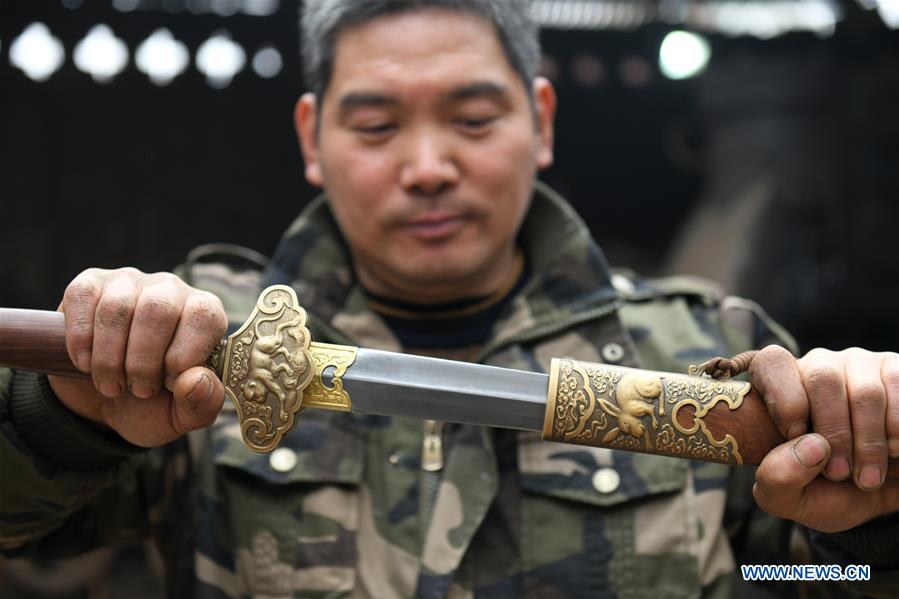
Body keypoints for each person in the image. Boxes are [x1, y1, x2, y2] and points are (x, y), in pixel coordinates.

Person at [2, 1, 898, 597]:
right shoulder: (187, 348)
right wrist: (68, 414)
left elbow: (808, 583)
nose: (428, 168)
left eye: (472, 120)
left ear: (541, 121)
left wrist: (859, 538)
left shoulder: (711, 348)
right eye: (377, 124)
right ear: (313, 137)